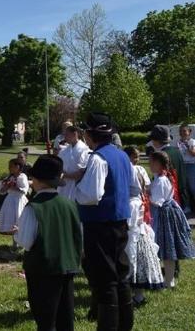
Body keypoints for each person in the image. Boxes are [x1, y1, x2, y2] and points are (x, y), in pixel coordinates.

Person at [76, 113, 134, 330]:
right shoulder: (121, 156)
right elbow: (130, 187)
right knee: (120, 274)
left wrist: (76, 192)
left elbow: (90, 195)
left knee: (104, 278)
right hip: (119, 221)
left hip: (99, 224)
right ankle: (125, 324)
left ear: (90, 134)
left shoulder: (98, 158)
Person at [15, 155, 83, 331]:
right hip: (68, 267)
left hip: (42, 269)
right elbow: (77, 235)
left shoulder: (33, 207)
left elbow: (26, 241)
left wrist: (17, 231)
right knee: (65, 317)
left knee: (45, 319)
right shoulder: (70, 205)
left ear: (37, 180)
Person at [147, 151, 195, 288]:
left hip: (165, 217)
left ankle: (169, 280)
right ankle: (167, 279)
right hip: (164, 214)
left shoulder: (161, 180)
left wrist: (145, 195)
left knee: (168, 249)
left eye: (151, 162)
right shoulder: (160, 177)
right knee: (166, 249)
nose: (149, 164)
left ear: (158, 164)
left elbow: (156, 201)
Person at [123, 147, 164, 305]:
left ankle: (136, 297)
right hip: (140, 234)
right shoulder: (138, 199)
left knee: (134, 267)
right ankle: (137, 296)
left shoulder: (133, 202)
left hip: (134, 236)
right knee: (137, 269)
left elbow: (130, 223)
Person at [148, 125, 189, 211]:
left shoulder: (160, 155)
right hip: (181, 193)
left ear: (156, 141)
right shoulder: (176, 150)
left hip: (168, 196)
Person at [58, 125, 90, 202]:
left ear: (75, 134)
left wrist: (65, 175)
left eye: (67, 135)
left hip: (76, 186)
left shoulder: (84, 150)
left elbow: (81, 174)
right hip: (64, 186)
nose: (65, 137)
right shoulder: (65, 150)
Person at [0, 159, 29, 236]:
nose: (9, 168)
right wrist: (6, 186)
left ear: (18, 167)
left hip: (19, 200)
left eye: (12, 166)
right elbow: (2, 191)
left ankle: (20, 239)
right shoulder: (8, 177)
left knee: (19, 218)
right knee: (11, 220)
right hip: (10, 201)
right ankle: (14, 241)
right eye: (9, 166)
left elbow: (24, 190)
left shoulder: (22, 177)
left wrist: (14, 187)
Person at [177, 124, 195, 213]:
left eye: (184, 131)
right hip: (182, 166)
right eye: (180, 131)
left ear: (189, 132)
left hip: (191, 165)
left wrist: (187, 145)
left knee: (193, 187)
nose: (182, 133)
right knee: (184, 187)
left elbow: (193, 154)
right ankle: (187, 206)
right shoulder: (178, 142)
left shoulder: (192, 142)